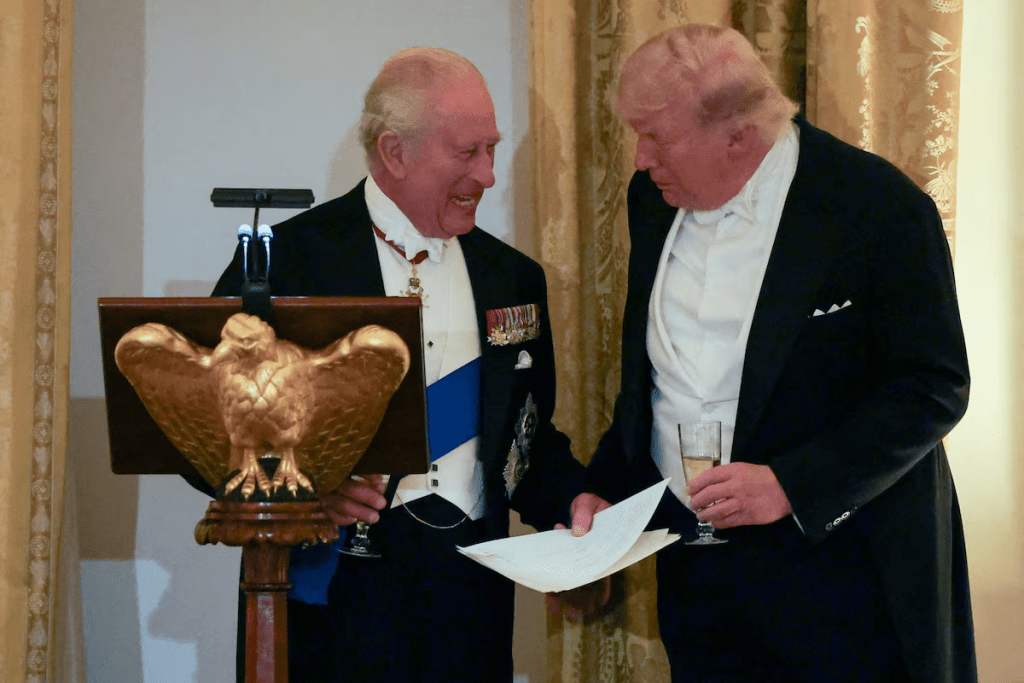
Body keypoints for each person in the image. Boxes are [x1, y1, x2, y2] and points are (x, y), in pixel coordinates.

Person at [568, 24, 976, 683]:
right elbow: (661, 379)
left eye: (656, 136)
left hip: (841, 582)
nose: (640, 157)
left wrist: (791, 483)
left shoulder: (879, 209)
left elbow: (933, 385)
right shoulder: (652, 199)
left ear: (738, 135)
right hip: (697, 581)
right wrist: (603, 487)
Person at [209, 47, 586, 682]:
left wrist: (576, 506)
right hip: (332, 603)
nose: (489, 175)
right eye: (468, 153)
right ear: (394, 151)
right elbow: (203, 423)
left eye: (491, 149)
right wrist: (299, 492)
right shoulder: (289, 265)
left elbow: (526, 439)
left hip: (469, 607)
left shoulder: (512, 277)